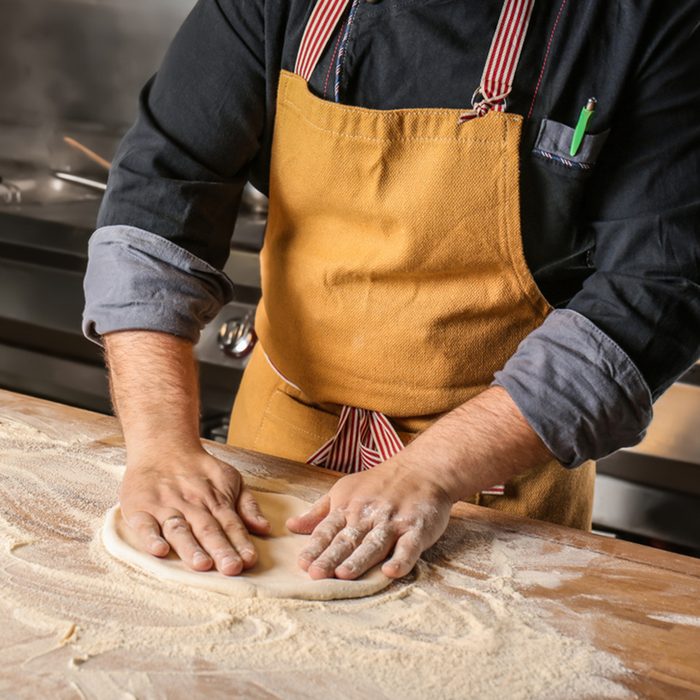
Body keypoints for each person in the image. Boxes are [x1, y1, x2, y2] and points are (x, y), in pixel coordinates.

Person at [83, 0, 700, 582]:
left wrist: (436, 468)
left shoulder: (641, 20)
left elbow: (660, 290)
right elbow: (161, 198)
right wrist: (161, 446)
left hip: (493, 477)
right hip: (279, 452)